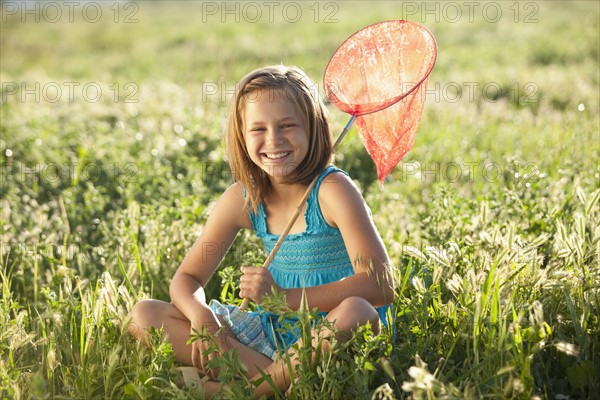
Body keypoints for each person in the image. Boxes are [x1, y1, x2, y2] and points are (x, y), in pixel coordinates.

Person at [128, 65, 395, 397]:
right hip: (271, 337)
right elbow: (187, 279)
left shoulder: (333, 190)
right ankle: (279, 383)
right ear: (241, 134)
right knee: (145, 315)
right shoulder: (244, 198)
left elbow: (380, 284)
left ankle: (236, 392)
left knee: (358, 311)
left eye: (287, 125)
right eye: (258, 129)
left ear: (313, 128)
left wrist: (282, 299)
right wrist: (201, 317)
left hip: (332, 339)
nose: (274, 141)